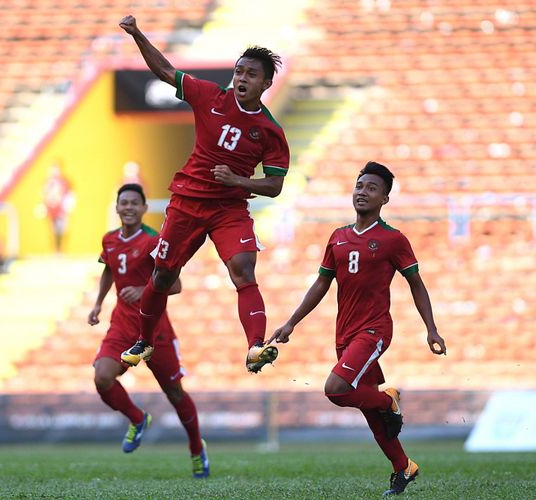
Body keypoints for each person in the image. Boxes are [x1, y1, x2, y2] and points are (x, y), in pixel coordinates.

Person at [117, 15, 291, 373]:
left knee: (243, 269)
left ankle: (256, 346)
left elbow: (274, 186)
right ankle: (144, 340)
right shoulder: (210, 96)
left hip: (229, 209)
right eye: (239, 71)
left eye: (251, 74)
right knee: (163, 275)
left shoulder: (270, 132)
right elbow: (166, 71)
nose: (242, 78)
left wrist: (238, 181)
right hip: (187, 203)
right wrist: (137, 34)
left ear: (266, 83)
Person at [270, 162, 447, 496]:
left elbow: (416, 284)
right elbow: (321, 284)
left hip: (374, 330)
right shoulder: (338, 237)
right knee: (368, 411)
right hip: (345, 333)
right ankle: (404, 467)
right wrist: (291, 322)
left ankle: (388, 398)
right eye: (359, 185)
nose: (362, 192)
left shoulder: (393, 239)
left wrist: (431, 329)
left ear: (385, 199)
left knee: (336, 389)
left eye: (372, 188)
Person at [88, 183, 209, 479]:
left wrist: (144, 290)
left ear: (144, 208)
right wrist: (98, 303)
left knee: (174, 392)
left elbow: (176, 285)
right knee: (102, 377)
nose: (128, 207)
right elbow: (109, 269)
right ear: (117, 208)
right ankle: (138, 418)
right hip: (121, 326)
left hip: (155, 329)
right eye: (123, 203)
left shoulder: (156, 242)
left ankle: (196, 448)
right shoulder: (109, 240)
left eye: (134, 203)